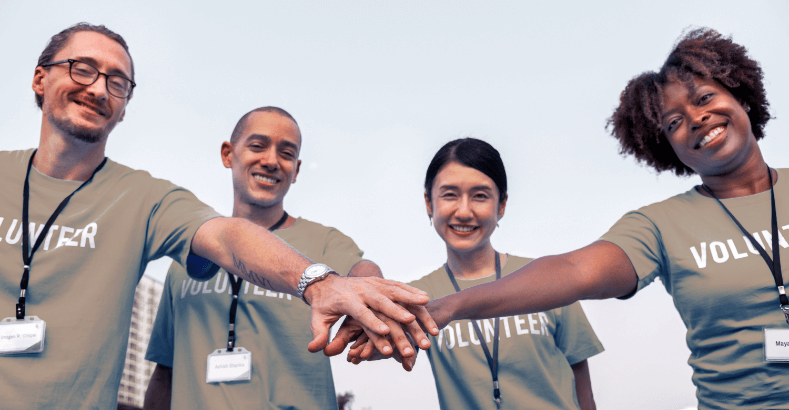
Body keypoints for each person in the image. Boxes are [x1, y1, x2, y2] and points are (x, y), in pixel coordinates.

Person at [342, 28, 788, 409]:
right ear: (665, 146)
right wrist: (445, 307)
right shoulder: (660, 225)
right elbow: (573, 270)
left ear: (741, 95)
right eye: (673, 122)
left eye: (705, 97)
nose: (696, 118)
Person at [0, 23, 434, 410]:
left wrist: (324, 283)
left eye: (117, 82)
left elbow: (229, 237)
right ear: (40, 78)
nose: (98, 89)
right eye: (83, 68)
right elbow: (164, 373)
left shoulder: (147, 200)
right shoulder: (178, 271)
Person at [142, 107, 433, 409]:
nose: (271, 161)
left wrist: (371, 293)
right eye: (257, 146)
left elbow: (361, 272)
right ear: (228, 154)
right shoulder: (190, 255)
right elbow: (165, 371)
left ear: (296, 170)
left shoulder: (323, 242)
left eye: (286, 153)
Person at [346, 138, 603, 410]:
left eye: (480, 196)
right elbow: (386, 336)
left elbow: (582, 385)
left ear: (501, 205)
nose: (464, 211)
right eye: (449, 194)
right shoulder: (415, 298)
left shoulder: (548, 278)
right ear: (429, 203)